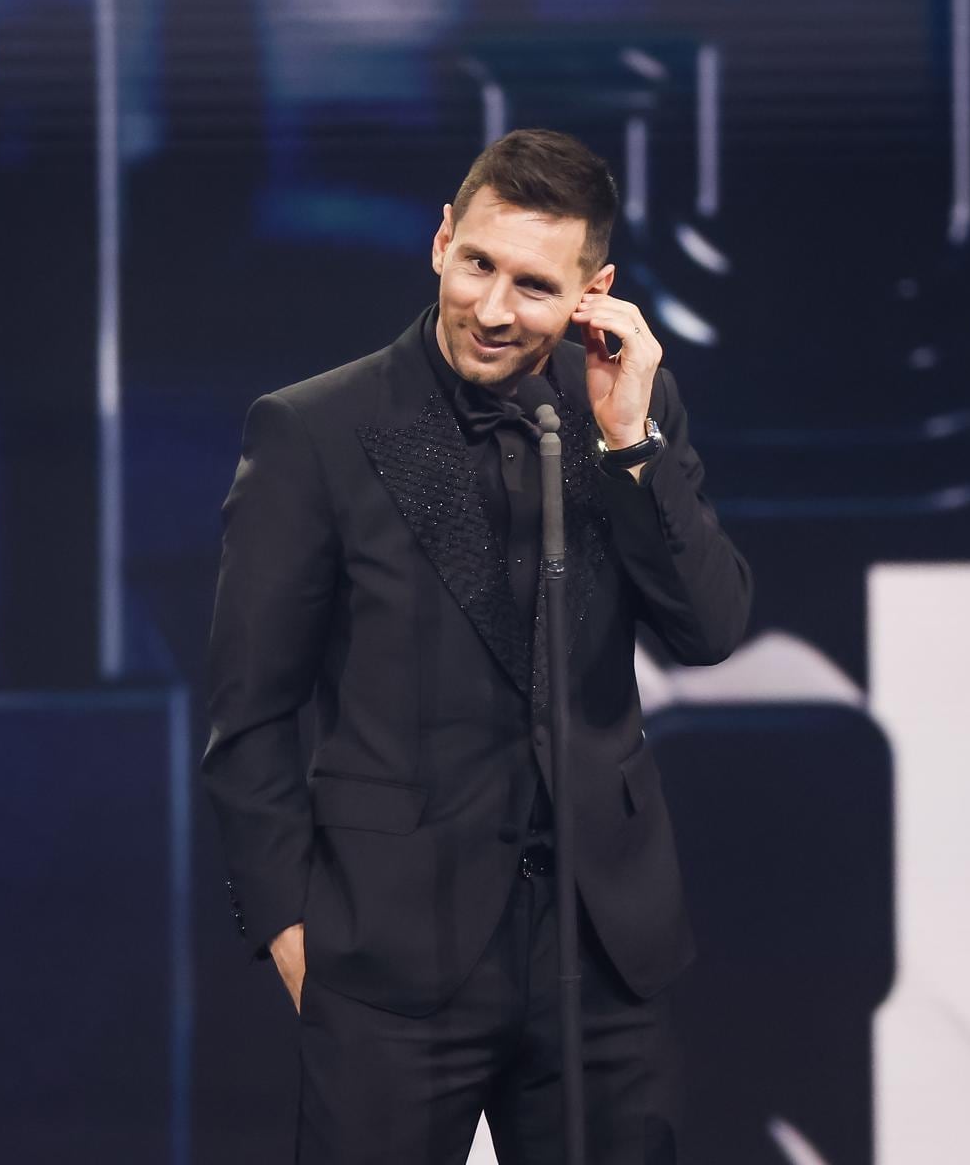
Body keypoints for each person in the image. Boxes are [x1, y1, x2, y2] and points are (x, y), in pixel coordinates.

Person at [203, 128, 753, 1164]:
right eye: (478, 264)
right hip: (391, 958)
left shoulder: (623, 408)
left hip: (602, 949)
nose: (494, 310)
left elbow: (710, 627)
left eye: (535, 286)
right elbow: (250, 714)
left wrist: (632, 445)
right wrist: (291, 930)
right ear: (443, 239)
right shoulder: (315, 430)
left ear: (596, 290)